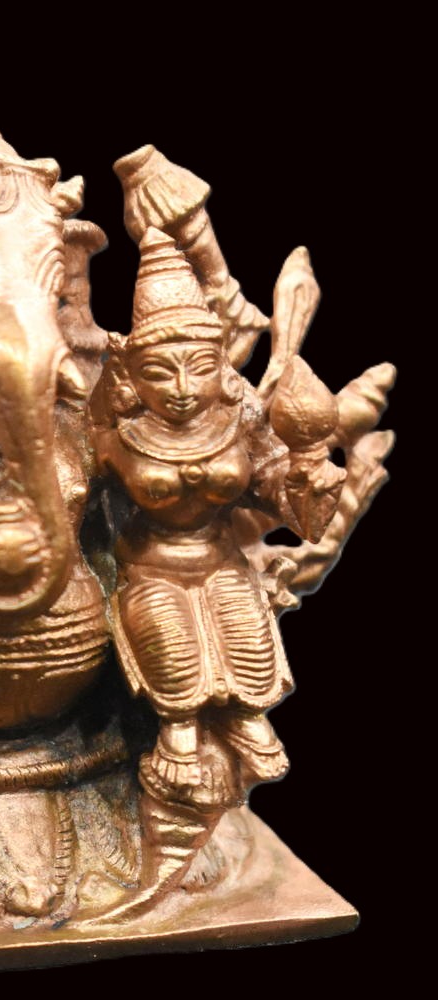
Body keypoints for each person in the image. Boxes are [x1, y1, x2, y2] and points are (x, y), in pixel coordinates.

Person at [96, 228, 342, 807]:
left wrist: (306, 480)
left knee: (245, 633)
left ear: (222, 366)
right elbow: (70, 493)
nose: (182, 389)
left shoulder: (239, 420)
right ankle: (177, 732)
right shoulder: (117, 433)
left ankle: (244, 716)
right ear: (132, 373)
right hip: (149, 564)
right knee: (168, 637)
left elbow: (276, 489)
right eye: (160, 372)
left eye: (199, 368)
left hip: (221, 556)